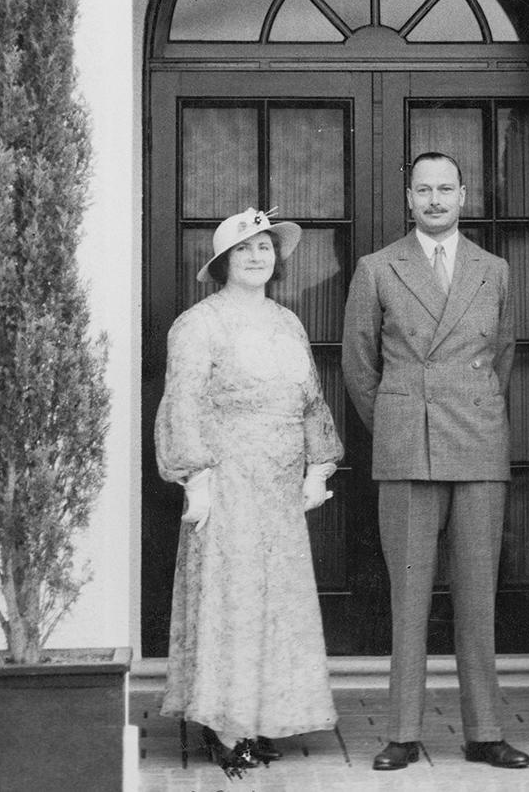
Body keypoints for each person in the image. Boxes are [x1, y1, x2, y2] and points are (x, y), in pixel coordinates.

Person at [341, 152, 529, 771]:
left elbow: (501, 357)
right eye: (424, 190)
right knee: (410, 599)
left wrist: (466, 406)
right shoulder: (377, 267)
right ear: (409, 198)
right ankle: (402, 731)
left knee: (478, 598)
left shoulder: (494, 270)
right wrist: (401, 419)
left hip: (477, 443)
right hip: (407, 447)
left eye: (446, 189)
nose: (435, 200)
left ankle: (485, 732)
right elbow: (360, 365)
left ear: (464, 195)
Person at [155, 207, 344, 778]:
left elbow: (310, 399)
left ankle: (258, 721)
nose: (259, 257)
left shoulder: (288, 323)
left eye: (266, 248)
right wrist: (198, 479)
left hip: (279, 487)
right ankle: (225, 726)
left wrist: (318, 466)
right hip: (230, 480)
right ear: (223, 263)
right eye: (245, 250)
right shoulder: (198, 324)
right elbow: (183, 403)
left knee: (273, 602)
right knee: (230, 599)